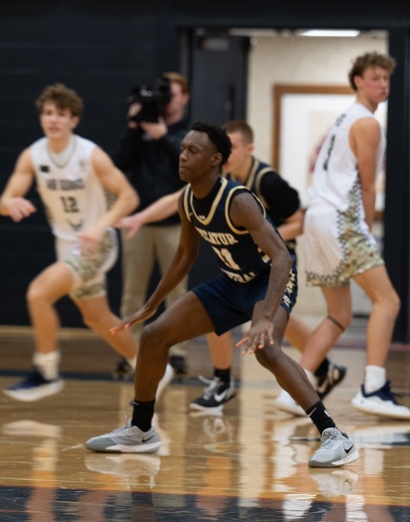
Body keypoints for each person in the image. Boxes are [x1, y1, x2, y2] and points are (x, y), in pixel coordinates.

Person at [84, 122, 360, 469]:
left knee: (267, 349)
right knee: (154, 335)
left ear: (215, 160)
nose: (182, 157)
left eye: (192, 151)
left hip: (267, 281)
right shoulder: (188, 199)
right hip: (231, 283)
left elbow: (281, 258)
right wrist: (152, 304)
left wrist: (263, 317)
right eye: (182, 149)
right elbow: (186, 255)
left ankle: (335, 436)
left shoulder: (238, 200)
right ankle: (140, 430)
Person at [116, 120, 347, 411]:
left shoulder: (267, 182)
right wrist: (139, 217)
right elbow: (175, 205)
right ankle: (223, 380)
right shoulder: (209, 184)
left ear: (238, 152)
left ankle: (321, 396)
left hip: (274, 264)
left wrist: (259, 238)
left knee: (270, 331)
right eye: (184, 149)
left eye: (233, 147)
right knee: (218, 316)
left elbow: (301, 222)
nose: (185, 155)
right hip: (236, 268)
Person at [0, 83, 173, 402]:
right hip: (67, 247)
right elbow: (5, 198)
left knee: (38, 294)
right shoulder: (33, 155)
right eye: (48, 113)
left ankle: (47, 371)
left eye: (61, 114)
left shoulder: (90, 154)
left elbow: (129, 197)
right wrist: (10, 203)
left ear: (73, 120)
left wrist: (100, 226)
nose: (53, 119)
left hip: (97, 244)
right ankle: (150, 366)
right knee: (96, 317)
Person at [295, 52, 410, 421]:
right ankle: (373, 388)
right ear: (358, 81)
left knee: (339, 314)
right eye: (375, 77)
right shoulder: (367, 124)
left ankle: (296, 388)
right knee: (388, 301)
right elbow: (367, 186)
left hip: (315, 218)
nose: (382, 84)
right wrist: (365, 225)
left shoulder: (344, 118)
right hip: (339, 219)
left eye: (386, 78)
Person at [115, 73, 192, 377]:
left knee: (177, 292)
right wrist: (134, 128)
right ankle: (129, 351)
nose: (165, 101)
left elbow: (189, 167)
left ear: (184, 97)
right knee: (133, 292)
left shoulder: (187, 131)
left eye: (170, 95)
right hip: (138, 221)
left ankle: (178, 353)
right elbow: (119, 163)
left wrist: (162, 136)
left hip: (176, 222)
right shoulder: (141, 128)